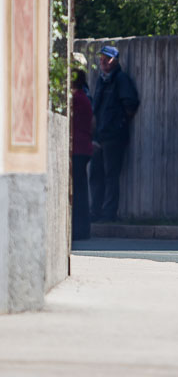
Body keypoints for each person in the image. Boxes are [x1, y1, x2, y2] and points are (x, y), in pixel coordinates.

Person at [89, 45, 140, 222]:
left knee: (111, 175)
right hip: (99, 136)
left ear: (115, 60)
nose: (103, 62)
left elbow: (131, 104)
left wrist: (117, 124)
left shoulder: (121, 79)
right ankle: (95, 212)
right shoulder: (101, 80)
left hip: (113, 137)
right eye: (101, 58)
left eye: (107, 58)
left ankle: (108, 213)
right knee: (96, 174)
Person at [71, 69, 94, 241]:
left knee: (78, 192)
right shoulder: (82, 98)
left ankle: (79, 229)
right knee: (81, 190)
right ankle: (82, 228)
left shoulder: (76, 99)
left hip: (78, 148)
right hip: (82, 148)